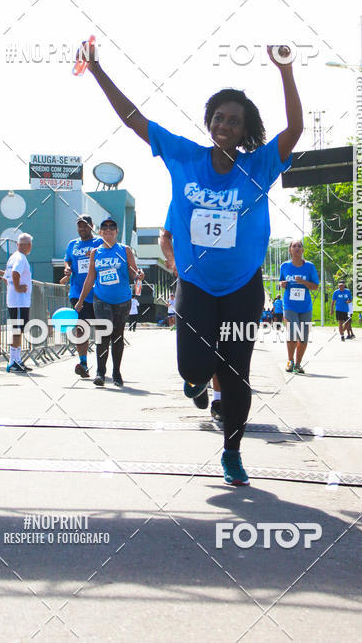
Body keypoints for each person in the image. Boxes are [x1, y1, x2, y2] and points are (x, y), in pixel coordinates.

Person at [82, 43, 302, 485]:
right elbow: (134, 119)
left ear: (245, 130)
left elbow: (295, 128)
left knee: (236, 372)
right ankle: (198, 382)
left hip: (242, 288)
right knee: (193, 368)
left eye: (234, 121)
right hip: (196, 285)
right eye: (219, 117)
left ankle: (232, 453)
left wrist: (285, 70)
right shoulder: (185, 155)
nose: (224, 125)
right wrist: (97, 70)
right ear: (209, 121)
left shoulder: (259, 166)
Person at [162, 213, 222, 421]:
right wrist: (172, 260)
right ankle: (198, 379)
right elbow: (165, 236)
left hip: (222, 283)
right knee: (196, 343)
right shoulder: (184, 200)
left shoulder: (230, 199)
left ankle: (218, 400)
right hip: (191, 284)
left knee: (219, 345)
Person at [75, 216, 143, 387]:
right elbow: (90, 277)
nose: (108, 231)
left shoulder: (125, 250)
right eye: (105, 228)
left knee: (118, 336)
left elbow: (133, 273)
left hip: (122, 300)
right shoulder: (95, 253)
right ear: (100, 232)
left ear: (116, 232)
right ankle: (100, 372)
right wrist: (81, 300)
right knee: (103, 334)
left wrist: (139, 275)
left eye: (112, 228)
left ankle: (116, 372)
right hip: (101, 299)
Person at [62, 215, 103, 378]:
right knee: (81, 328)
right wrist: (67, 268)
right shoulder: (72, 244)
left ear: (92, 226)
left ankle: (101, 366)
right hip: (78, 293)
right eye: (79, 226)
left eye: (85, 226)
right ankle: (83, 363)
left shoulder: (99, 242)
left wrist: (94, 256)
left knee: (101, 331)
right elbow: (67, 260)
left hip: (99, 293)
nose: (82, 229)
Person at [280, 240, 319, 375]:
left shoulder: (310, 267)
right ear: (290, 250)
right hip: (289, 304)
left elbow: (315, 286)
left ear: (302, 250)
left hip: (305, 306)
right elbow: (281, 281)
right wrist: (282, 284)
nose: (296, 248)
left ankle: (298, 364)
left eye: (299, 246)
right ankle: (290, 361)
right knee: (292, 332)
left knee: (303, 337)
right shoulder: (285, 266)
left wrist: (303, 281)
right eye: (294, 246)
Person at [3, 233, 34, 373]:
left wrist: (13, 288)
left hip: (14, 300)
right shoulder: (21, 258)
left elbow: (6, 277)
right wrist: (17, 288)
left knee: (18, 330)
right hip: (19, 300)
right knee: (18, 330)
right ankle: (13, 361)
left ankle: (16, 360)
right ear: (29, 245)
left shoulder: (13, 257)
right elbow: (15, 273)